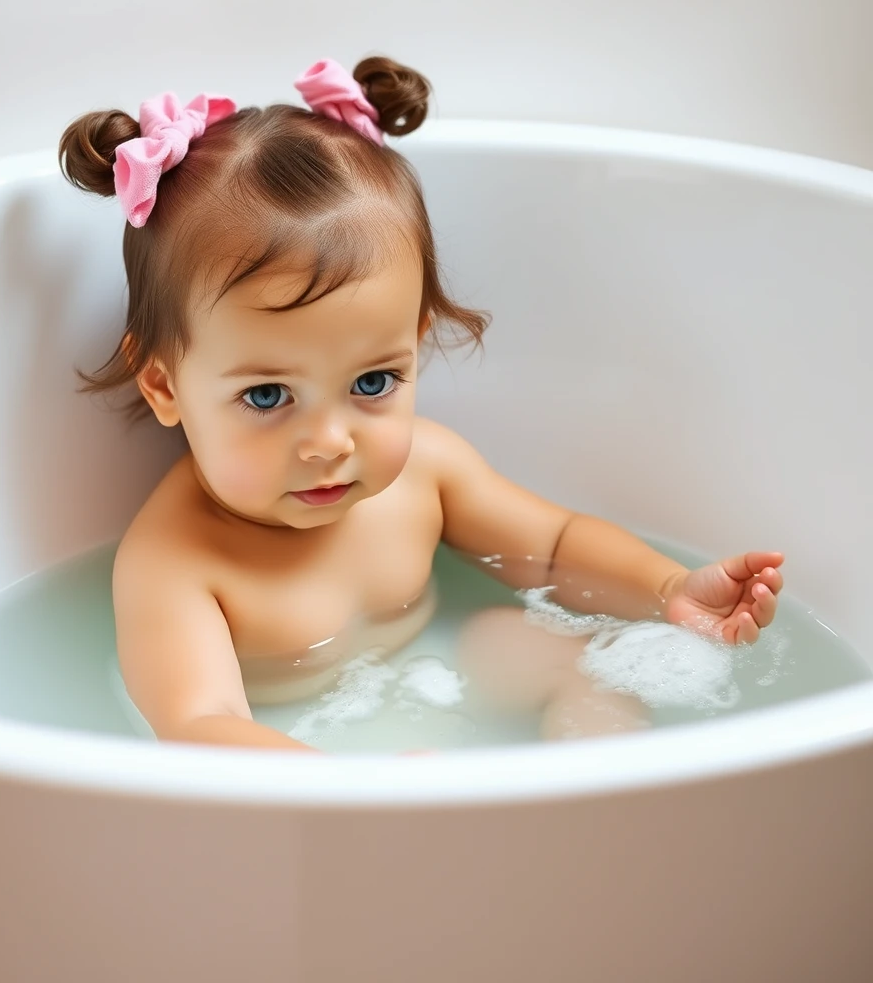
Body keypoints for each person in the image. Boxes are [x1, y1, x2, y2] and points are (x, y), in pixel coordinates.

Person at [58, 56, 783, 751]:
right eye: (268, 395)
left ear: (415, 343)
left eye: (372, 383)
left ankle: (598, 801)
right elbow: (202, 724)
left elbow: (554, 552)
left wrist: (667, 589)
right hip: (296, 760)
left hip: (439, 675)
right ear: (164, 387)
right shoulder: (175, 564)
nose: (330, 442)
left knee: (556, 651)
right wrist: (357, 798)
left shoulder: (425, 471)